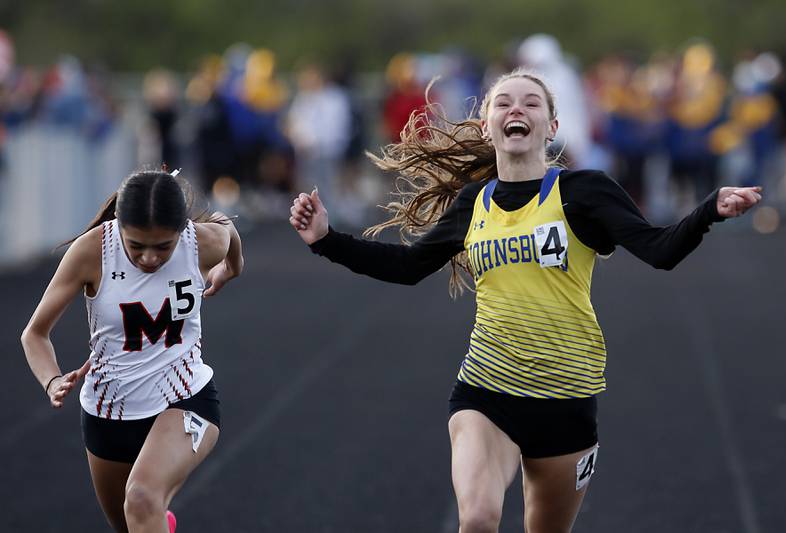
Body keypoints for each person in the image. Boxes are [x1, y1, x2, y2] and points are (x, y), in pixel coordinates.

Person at [289, 68, 761, 533]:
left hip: (568, 398)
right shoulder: (475, 202)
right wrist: (326, 239)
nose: (517, 109)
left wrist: (708, 210)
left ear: (552, 127)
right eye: (504, 102)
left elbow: (660, 250)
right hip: (487, 389)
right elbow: (408, 267)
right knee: (476, 519)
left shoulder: (584, 191)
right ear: (486, 125)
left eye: (531, 103)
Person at [21, 169, 244, 533]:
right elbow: (34, 334)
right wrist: (52, 380)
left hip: (185, 398)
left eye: (163, 247)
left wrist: (232, 268)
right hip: (108, 414)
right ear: (119, 226)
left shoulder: (199, 243)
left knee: (141, 499)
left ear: (181, 230)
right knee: (132, 523)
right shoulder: (93, 251)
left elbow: (227, 229)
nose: (150, 259)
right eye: (136, 245)